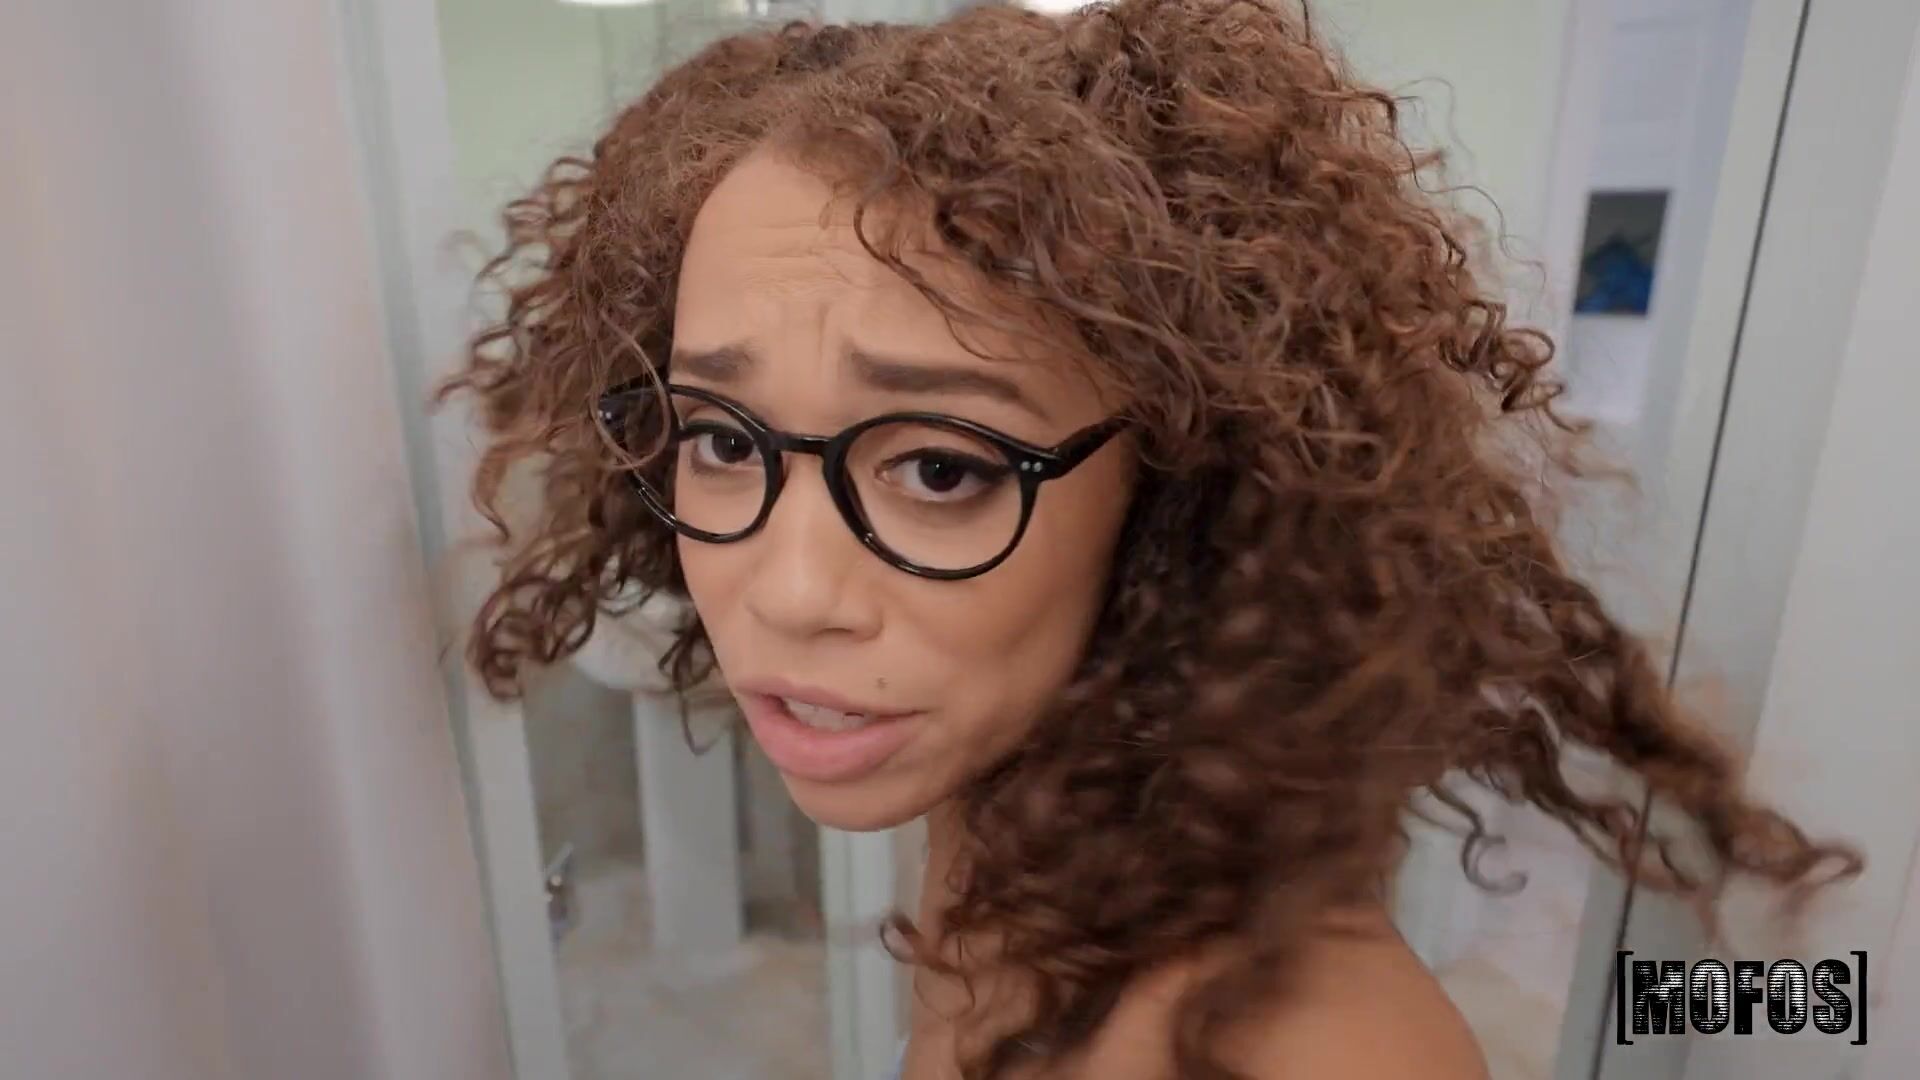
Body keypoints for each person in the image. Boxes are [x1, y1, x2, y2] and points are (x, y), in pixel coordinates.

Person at [441, 3, 1859, 1077]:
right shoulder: (999, 871)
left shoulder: (1313, 1051)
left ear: (1184, 494)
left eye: (940, 467)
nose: (793, 592)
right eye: (720, 440)